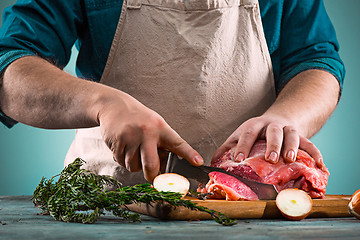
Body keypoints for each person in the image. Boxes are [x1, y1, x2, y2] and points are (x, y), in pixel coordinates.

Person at [0, 0, 344, 185]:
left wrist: (287, 116)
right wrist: (104, 103)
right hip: (107, 206)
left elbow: (316, 61)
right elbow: (10, 69)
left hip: (252, 208)